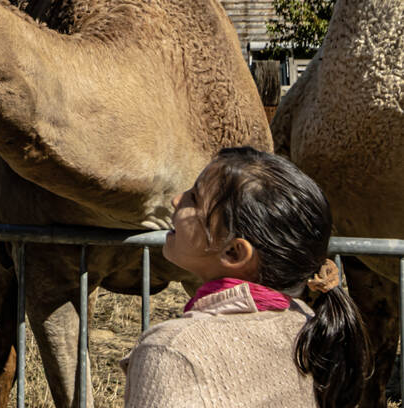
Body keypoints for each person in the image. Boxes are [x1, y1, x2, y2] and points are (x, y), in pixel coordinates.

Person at [122, 146, 370, 408]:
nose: (175, 200)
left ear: (234, 252)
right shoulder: (309, 326)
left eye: (194, 198)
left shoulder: (172, 350)